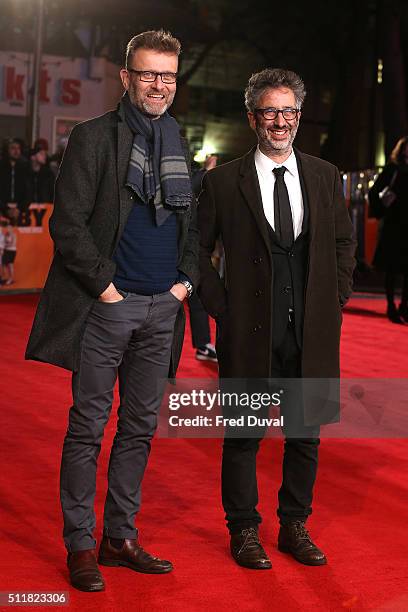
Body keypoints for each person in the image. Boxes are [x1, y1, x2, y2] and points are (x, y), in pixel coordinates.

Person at [26, 29, 198, 592]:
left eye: (167, 75)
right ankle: (80, 543)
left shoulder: (178, 139)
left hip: (162, 309)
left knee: (140, 428)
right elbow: (68, 225)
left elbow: (192, 229)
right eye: (148, 74)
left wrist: (184, 286)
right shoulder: (93, 138)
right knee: (88, 429)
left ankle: (119, 537)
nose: (158, 85)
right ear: (127, 78)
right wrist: (106, 289)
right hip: (110, 307)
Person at [198, 68, 356, 570]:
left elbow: (342, 244)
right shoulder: (222, 182)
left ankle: (293, 525)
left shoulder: (326, 176)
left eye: (289, 111)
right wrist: (221, 305)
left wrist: (336, 297)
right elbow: (197, 251)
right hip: (248, 331)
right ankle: (243, 529)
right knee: (244, 434)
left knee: (305, 433)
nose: (281, 120)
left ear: (299, 117)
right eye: (271, 111)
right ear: (252, 117)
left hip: (311, 330)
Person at [369, 136, 408, 323]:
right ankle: (391, 305)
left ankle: (405, 306)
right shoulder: (393, 169)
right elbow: (374, 191)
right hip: (394, 224)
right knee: (392, 268)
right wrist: (383, 207)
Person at [188, 155, 219, 362]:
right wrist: (207, 172)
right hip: (175, 244)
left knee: (196, 296)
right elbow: (191, 184)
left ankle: (203, 345)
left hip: (191, 244)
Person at [0, 138, 30, 222]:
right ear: (7, 150)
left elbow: (28, 191)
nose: (16, 151)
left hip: (20, 212)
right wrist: (5, 209)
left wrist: (19, 208)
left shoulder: (25, 168)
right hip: (2, 212)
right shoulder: (1, 167)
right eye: (13, 148)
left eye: (18, 148)